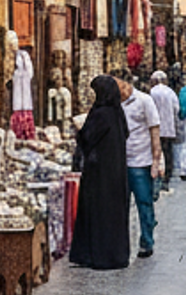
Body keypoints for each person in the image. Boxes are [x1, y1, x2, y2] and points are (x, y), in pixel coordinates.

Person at [69, 75, 130, 270]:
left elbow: (87, 136)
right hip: (116, 171)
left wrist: (79, 129)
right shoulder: (117, 113)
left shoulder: (101, 114)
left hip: (99, 173)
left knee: (98, 212)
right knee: (113, 214)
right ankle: (114, 254)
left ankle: (96, 255)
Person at [113, 70, 162, 258]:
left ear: (128, 84)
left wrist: (156, 162)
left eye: (120, 86)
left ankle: (147, 242)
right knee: (120, 206)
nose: (118, 91)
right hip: (120, 162)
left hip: (141, 161)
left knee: (144, 202)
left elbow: (154, 131)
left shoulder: (144, 101)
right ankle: (120, 245)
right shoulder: (113, 103)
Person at [149, 70, 179, 194]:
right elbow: (176, 108)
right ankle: (166, 180)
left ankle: (155, 180)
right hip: (168, 128)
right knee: (168, 154)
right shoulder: (170, 92)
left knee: (155, 153)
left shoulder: (152, 92)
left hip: (154, 128)